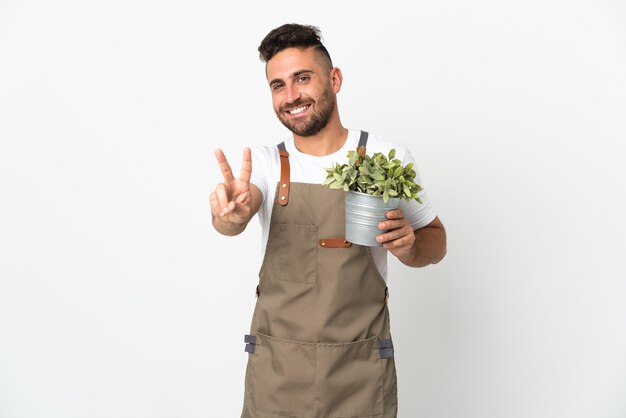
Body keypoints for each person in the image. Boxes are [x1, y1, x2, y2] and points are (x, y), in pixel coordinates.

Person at [210, 23, 446, 418]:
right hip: (277, 375)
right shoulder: (267, 163)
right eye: (278, 85)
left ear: (334, 79)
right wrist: (230, 214)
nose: (291, 96)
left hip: (359, 374)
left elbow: (435, 240)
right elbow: (238, 213)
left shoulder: (385, 158)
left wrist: (411, 245)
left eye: (303, 78)